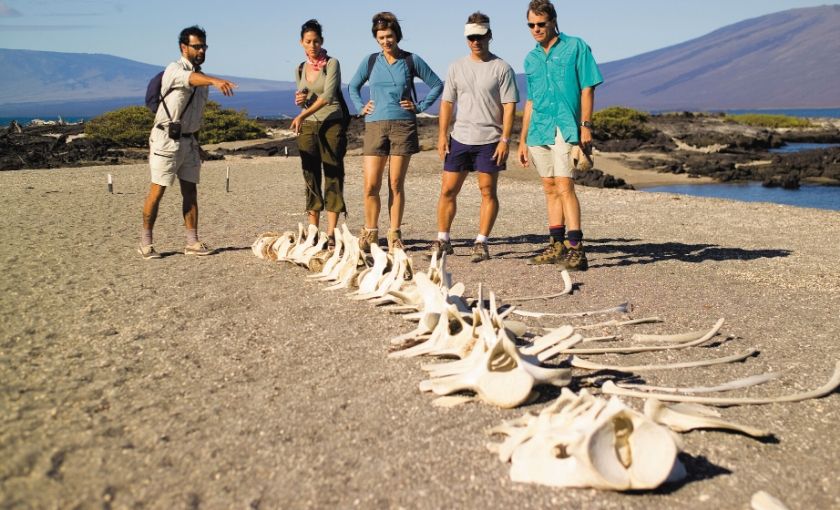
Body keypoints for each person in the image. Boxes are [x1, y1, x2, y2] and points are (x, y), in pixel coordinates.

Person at [517, 0, 603, 271]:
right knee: (549, 188)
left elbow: (587, 88)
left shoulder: (576, 46)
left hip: (566, 128)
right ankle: (557, 245)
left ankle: (577, 249)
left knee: (566, 187)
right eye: (531, 25)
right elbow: (530, 101)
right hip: (538, 131)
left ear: (553, 21)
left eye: (541, 24)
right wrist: (521, 140)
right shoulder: (530, 58)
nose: (536, 29)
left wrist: (585, 125)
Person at [139, 25, 237, 259]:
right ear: (184, 47)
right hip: (165, 140)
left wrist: (197, 143)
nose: (201, 50)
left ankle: (192, 242)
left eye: (204, 46)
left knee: (190, 192)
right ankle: (145, 243)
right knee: (158, 190)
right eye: (197, 46)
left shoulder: (202, 78)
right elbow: (190, 79)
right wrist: (214, 81)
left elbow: (194, 113)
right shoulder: (174, 70)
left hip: (189, 141)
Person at [348, 11, 443, 252]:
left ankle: (394, 235)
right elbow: (353, 86)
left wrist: (419, 106)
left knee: (395, 183)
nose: (385, 41)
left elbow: (436, 84)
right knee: (370, 185)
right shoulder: (371, 61)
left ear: (396, 35)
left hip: (403, 125)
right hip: (375, 125)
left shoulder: (411, 60)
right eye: (380, 37)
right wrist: (361, 107)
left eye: (389, 36)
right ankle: (370, 233)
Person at [431, 12, 518, 263]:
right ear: (466, 38)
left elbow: (509, 106)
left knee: (487, 191)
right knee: (448, 190)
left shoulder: (502, 68)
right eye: (471, 37)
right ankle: (443, 239)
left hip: (490, 139)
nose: (476, 41)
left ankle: (482, 241)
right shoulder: (456, 67)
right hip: (460, 138)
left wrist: (505, 140)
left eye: (480, 36)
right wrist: (442, 135)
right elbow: (447, 103)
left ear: (489, 35)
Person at [291, 19, 349, 250]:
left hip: (331, 123)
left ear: (322, 41)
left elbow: (328, 96)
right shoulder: (299, 68)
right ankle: (313, 232)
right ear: (301, 43)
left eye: (316, 41)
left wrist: (301, 115)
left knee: (333, 173)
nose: (312, 45)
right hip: (308, 125)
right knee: (310, 175)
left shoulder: (332, 64)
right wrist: (300, 103)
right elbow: (305, 99)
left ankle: (332, 233)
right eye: (308, 42)